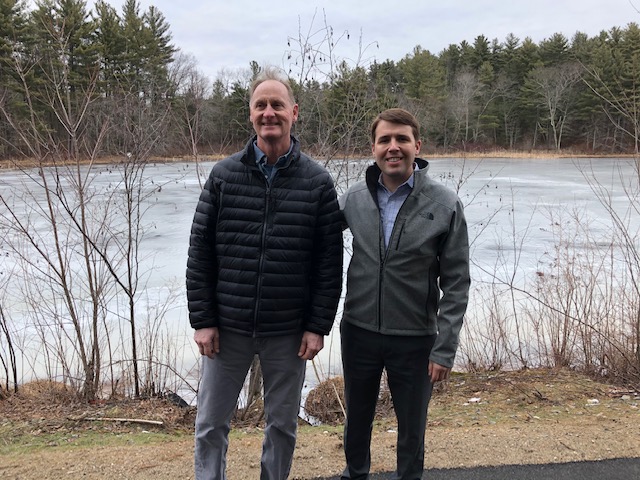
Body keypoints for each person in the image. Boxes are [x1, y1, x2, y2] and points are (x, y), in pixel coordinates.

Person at [186, 66, 343, 480]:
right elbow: (200, 252)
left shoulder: (317, 183)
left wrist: (316, 326)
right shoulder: (224, 176)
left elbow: (329, 263)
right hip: (228, 328)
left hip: (287, 332)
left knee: (282, 426)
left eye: (277, 105)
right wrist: (203, 320)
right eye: (261, 105)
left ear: (294, 112)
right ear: (251, 114)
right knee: (210, 426)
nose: (269, 112)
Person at [339, 108, 470, 480]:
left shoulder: (445, 205)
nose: (392, 147)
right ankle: (355, 473)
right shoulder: (353, 200)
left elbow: (457, 281)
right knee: (357, 421)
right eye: (384, 140)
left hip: (416, 339)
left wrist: (445, 348)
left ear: (417, 145)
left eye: (401, 139)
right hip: (359, 331)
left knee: (412, 430)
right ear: (374, 148)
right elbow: (314, 244)